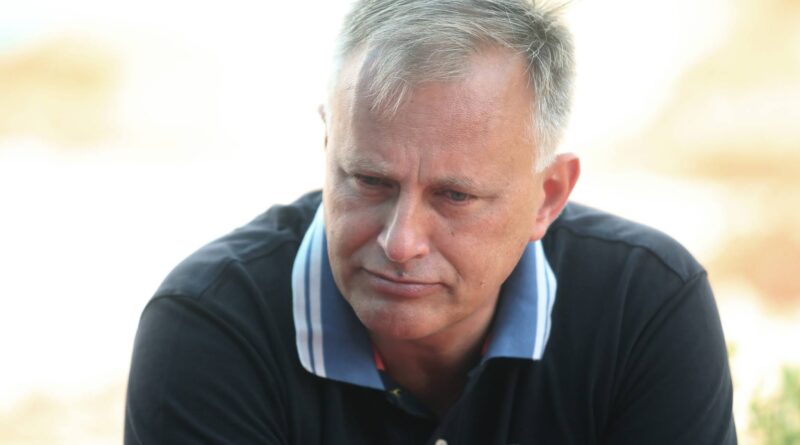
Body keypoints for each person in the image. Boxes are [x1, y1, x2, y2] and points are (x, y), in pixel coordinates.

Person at [125, 0, 737, 443]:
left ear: (547, 197)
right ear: (328, 147)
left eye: (454, 196)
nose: (400, 242)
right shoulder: (211, 322)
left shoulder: (644, 304)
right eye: (369, 180)